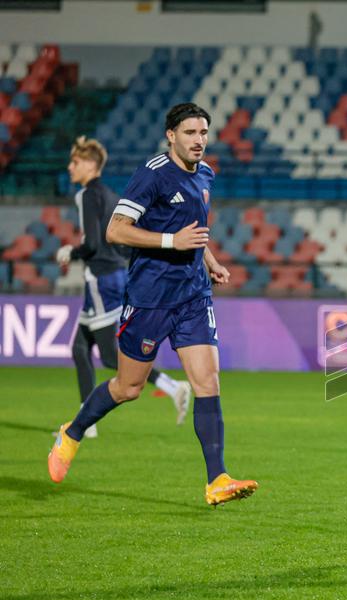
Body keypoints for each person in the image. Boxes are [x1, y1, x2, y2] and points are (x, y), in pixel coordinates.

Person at [48, 103, 258, 507]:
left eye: (203, 133)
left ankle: (217, 478)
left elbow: (194, 231)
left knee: (208, 382)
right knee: (129, 387)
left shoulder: (206, 175)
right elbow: (115, 231)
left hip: (193, 296)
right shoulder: (153, 174)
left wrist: (209, 260)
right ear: (171, 136)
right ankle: (72, 432)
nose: (199, 140)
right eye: (190, 133)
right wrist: (170, 242)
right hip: (149, 298)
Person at [58, 136, 191, 438]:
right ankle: (85, 418)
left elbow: (92, 243)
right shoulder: (109, 194)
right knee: (79, 348)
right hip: (116, 274)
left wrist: (71, 252)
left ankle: (169, 386)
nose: (70, 167)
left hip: (101, 279)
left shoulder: (86, 195)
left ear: (91, 164)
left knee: (109, 357)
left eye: (75, 162)